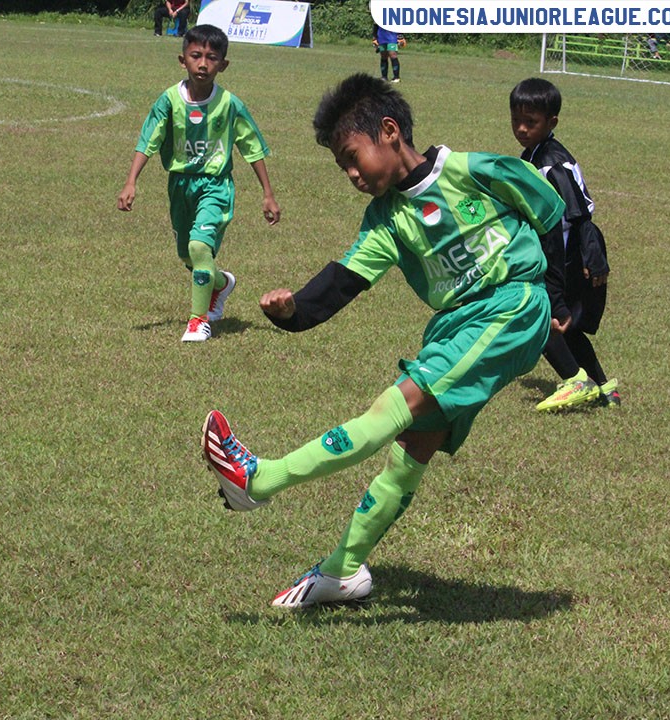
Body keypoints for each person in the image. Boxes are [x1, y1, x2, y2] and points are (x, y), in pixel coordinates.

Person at [201, 73, 566, 608]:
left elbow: (553, 213)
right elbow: (343, 281)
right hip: (457, 324)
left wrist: (560, 295)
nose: (351, 175)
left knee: (391, 408)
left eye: (353, 158)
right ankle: (343, 571)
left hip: (509, 307)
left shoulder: (472, 170)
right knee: (411, 448)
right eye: (342, 167)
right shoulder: (386, 219)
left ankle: (259, 481)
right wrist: (293, 310)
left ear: (390, 132)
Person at [118, 24, 281, 343]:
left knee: (199, 247)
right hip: (180, 185)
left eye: (212, 57)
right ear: (183, 60)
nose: (203, 64)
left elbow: (251, 147)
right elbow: (149, 140)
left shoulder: (230, 104)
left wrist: (268, 193)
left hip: (215, 186)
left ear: (224, 64)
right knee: (187, 256)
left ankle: (198, 321)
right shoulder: (169, 100)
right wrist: (131, 182)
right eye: (196, 56)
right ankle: (220, 283)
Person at [510, 77, 619, 411]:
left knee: (539, 317)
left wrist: (587, 257)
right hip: (561, 252)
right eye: (516, 120)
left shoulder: (551, 164)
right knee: (567, 327)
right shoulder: (536, 154)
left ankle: (576, 381)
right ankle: (604, 388)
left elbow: (574, 218)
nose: (522, 128)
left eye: (531, 122)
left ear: (552, 122)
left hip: (564, 255)